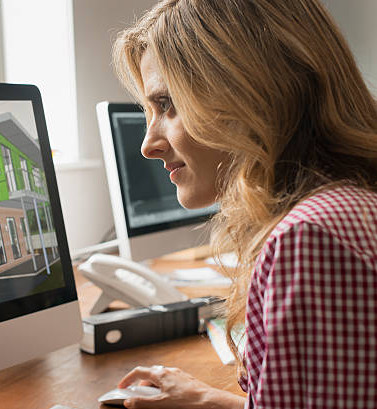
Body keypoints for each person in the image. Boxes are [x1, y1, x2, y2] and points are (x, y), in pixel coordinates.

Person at [112, 0, 377, 408]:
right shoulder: (348, 202)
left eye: (168, 104)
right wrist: (207, 400)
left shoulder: (310, 237)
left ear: (248, 91)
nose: (148, 145)